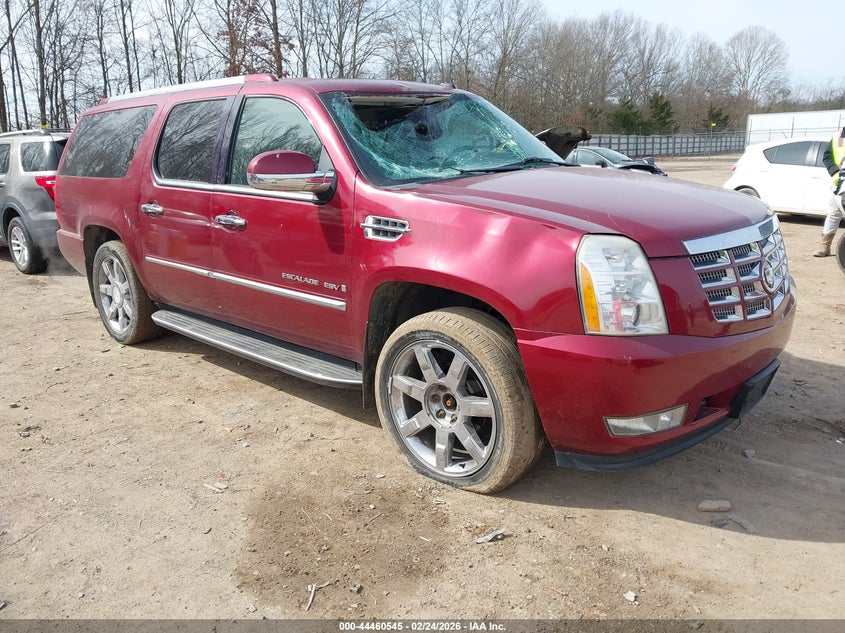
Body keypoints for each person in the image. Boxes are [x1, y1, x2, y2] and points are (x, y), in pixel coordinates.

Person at [815, 127, 845, 257]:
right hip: (839, 182)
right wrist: (835, 171)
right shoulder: (838, 136)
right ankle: (825, 246)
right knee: (833, 213)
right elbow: (827, 156)